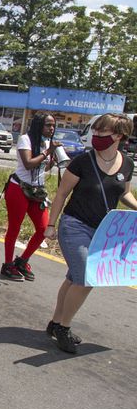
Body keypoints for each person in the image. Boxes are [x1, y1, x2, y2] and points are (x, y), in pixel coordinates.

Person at [44, 114, 136, 353]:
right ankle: (64, 328)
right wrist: (51, 225)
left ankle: (55, 323)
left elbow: (124, 193)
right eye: (94, 132)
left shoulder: (127, 164)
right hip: (74, 226)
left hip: (103, 232)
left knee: (74, 278)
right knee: (87, 277)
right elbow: (62, 194)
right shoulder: (82, 162)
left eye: (101, 133)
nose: (95, 136)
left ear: (119, 136)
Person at [1, 112, 60, 281]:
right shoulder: (25, 139)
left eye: (53, 125)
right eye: (48, 125)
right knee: (15, 227)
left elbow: (42, 169)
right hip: (18, 188)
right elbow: (28, 164)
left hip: (37, 190)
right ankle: (7, 264)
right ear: (38, 125)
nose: (51, 129)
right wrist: (48, 152)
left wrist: (50, 162)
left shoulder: (47, 142)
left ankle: (22, 260)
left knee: (43, 229)